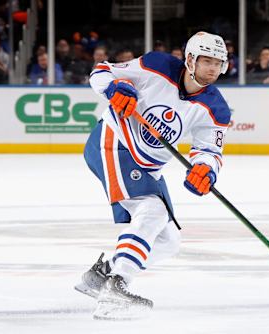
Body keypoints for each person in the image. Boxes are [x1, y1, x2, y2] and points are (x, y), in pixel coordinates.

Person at [75, 31, 231, 320]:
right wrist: (114, 89)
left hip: (149, 165)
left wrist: (206, 169)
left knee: (167, 241)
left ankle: (102, 275)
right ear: (190, 59)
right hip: (113, 140)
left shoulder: (216, 108)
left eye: (218, 62)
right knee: (153, 211)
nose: (212, 68)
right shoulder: (157, 66)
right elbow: (102, 71)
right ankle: (116, 285)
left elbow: (210, 149)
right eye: (207, 60)